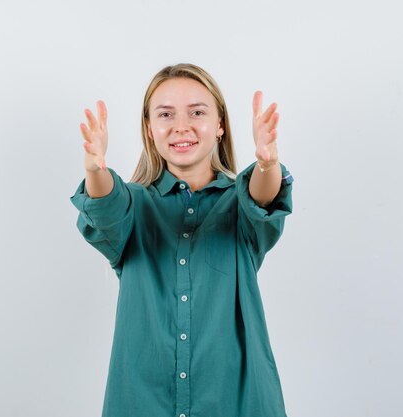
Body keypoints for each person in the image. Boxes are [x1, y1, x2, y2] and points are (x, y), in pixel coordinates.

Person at [70, 63, 294, 417]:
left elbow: (262, 198)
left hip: (237, 402)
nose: (181, 126)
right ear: (150, 128)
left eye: (197, 112)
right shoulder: (135, 206)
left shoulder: (239, 204)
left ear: (220, 125)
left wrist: (268, 165)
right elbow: (106, 205)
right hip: (142, 402)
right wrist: (95, 170)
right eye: (165, 114)